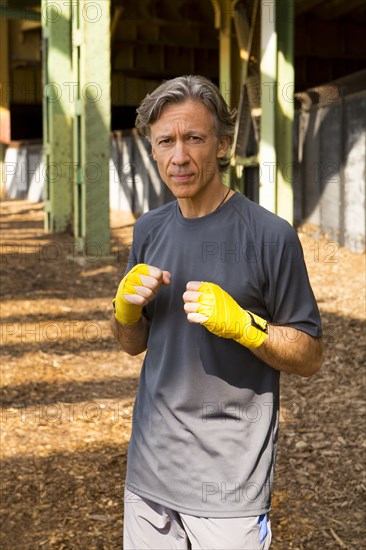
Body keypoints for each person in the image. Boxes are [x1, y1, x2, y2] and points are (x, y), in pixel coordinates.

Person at [112, 75, 323, 549]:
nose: (179, 156)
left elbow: (309, 357)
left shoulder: (271, 236)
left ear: (224, 144)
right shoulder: (148, 229)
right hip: (149, 477)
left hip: (230, 487)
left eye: (194, 138)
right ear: (152, 148)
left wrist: (247, 328)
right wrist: (124, 312)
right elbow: (133, 346)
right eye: (165, 141)